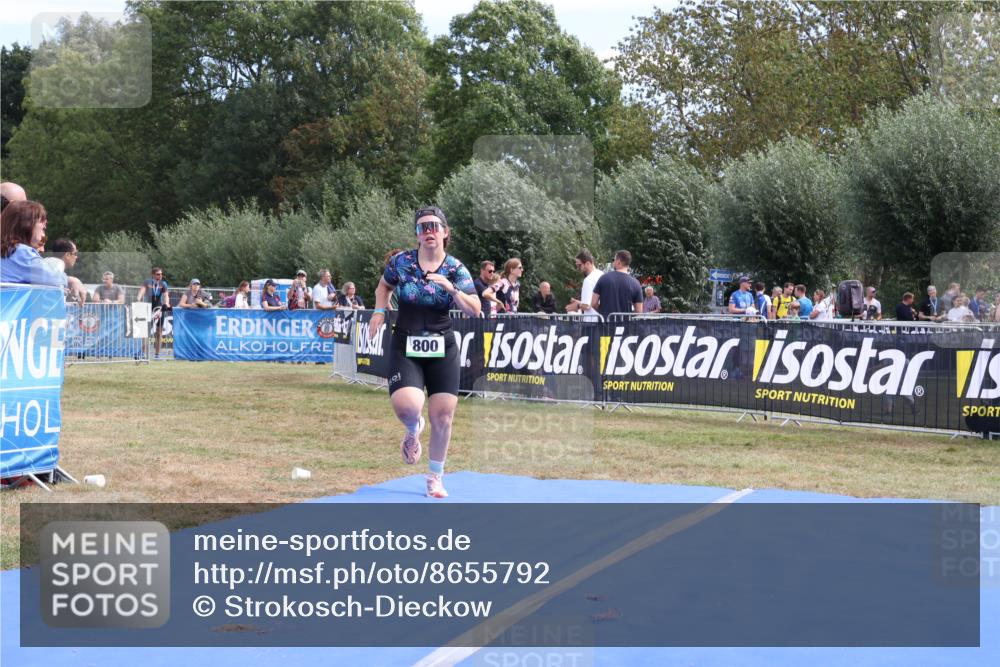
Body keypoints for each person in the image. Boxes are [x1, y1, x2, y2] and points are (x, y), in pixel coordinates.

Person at [368, 206, 480, 499]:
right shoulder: (401, 262)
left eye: (434, 226)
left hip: (443, 346)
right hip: (406, 343)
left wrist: (452, 290)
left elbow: (476, 309)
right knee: (408, 406)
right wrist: (380, 311)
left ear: (445, 232)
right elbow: (384, 286)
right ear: (417, 235)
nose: (428, 231)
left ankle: (435, 476)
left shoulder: (456, 269)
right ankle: (412, 427)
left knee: (443, 417)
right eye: (422, 227)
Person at [0, 200, 66, 287]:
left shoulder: (8, 250)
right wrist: (70, 278)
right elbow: (55, 278)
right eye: (41, 221)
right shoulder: (21, 252)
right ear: (26, 225)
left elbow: (41, 246)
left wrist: (40, 242)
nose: (44, 225)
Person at [592, 250, 643, 319]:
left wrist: (603, 311)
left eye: (614, 260)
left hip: (605, 325)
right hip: (626, 326)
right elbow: (639, 312)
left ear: (618, 262)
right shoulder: (636, 283)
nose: (613, 262)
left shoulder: (604, 278)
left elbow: (593, 303)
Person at [137, 267, 171, 357]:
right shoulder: (147, 282)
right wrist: (138, 299)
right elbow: (142, 291)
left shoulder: (163, 283)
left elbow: (166, 295)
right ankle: (143, 353)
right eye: (158, 274)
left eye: (161, 274)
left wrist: (166, 303)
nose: (160, 276)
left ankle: (157, 354)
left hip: (158, 308)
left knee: (159, 332)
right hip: (148, 307)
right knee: (145, 332)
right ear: (153, 275)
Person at [565, 250, 603, 321]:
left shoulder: (588, 280)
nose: (577, 268)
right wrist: (579, 302)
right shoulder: (601, 274)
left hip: (591, 321)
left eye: (579, 265)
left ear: (588, 263)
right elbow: (592, 302)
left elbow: (587, 305)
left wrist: (577, 305)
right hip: (601, 319)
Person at [48, 238, 88, 303]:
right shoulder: (55, 275)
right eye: (75, 253)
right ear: (67, 255)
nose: (76, 257)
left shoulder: (60, 275)